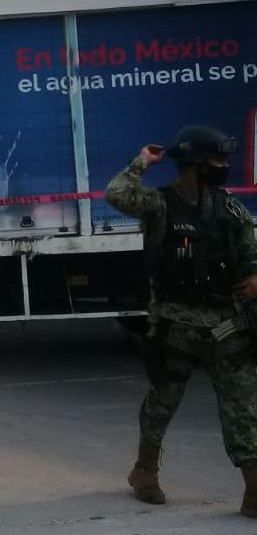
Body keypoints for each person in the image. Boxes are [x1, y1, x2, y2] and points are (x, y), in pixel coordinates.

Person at [106, 125, 257, 516]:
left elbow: (252, 248)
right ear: (195, 164)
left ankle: (254, 488)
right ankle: (144, 470)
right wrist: (143, 161)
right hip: (174, 325)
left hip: (226, 325)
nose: (225, 167)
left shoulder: (228, 207)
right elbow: (116, 194)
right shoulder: (160, 205)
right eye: (217, 161)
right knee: (162, 402)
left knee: (242, 405)